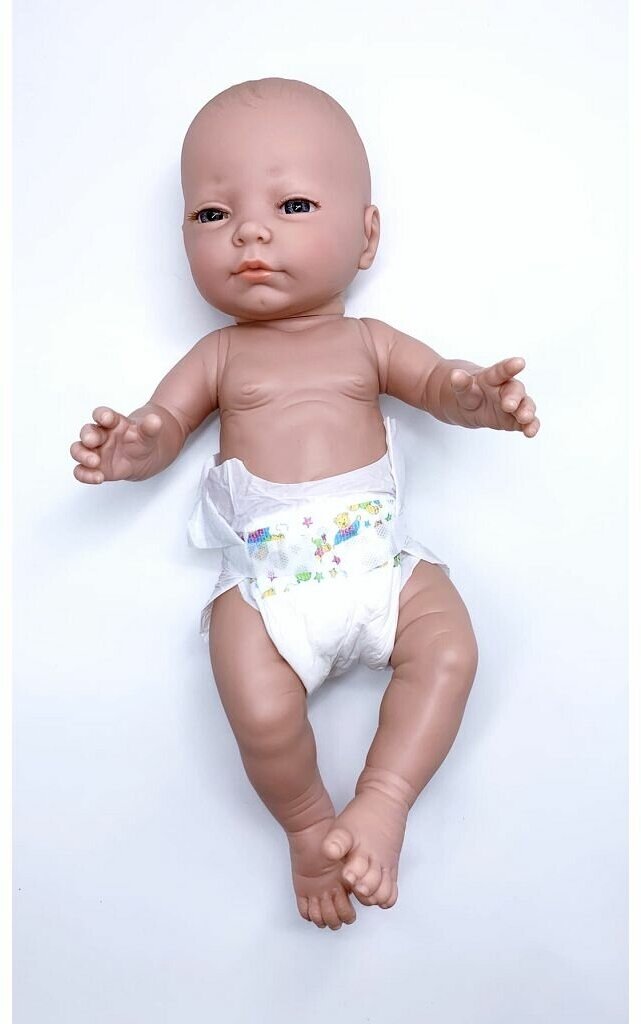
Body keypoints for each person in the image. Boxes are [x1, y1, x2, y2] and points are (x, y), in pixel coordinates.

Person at [70, 78, 540, 931]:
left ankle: (383, 800)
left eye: (291, 205)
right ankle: (307, 825)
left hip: (379, 568)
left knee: (450, 649)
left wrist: (473, 396)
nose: (249, 231)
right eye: (212, 214)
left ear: (365, 237)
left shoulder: (368, 342)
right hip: (268, 589)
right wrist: (136, 447)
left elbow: (436, 384)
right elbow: (165, 423)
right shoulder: (218, 356)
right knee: (256, 706)